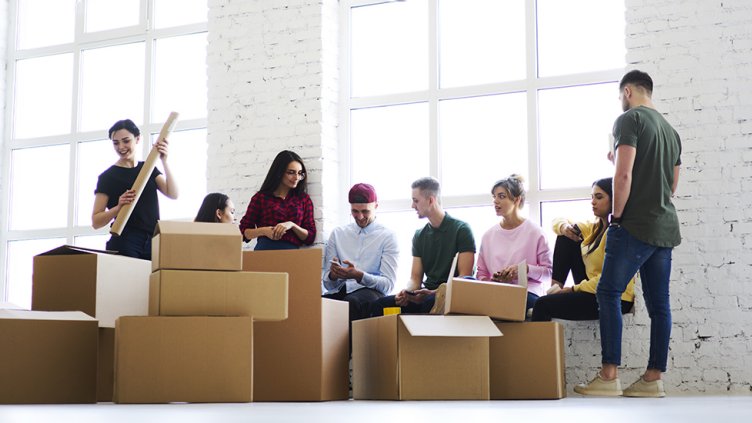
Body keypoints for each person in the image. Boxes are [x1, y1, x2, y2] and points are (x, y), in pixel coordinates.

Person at [575, 70, 681, 398]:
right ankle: (653, 379)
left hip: (634, 224)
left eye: (621, 95)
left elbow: (622, 176)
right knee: (659, 305)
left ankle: (609, 375)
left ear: (629, 91)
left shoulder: (629, 120)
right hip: (664, 226)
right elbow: (671, 185)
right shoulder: (671, 131)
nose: (621, 100)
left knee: (607, 292)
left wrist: (617, 217)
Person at [531, 178, 635, 322]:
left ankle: (536, 345)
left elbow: (610, 278)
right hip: (593, 289)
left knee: (542, 304)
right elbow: (557, 221)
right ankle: (554, 289)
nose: (592, 202)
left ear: (614, 199)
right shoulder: (594, 228)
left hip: (615, 296)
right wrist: (564, 227)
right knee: (567, 235)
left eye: (599, 197)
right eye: (592, 197)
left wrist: (573, 289)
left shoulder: (620, 233)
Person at [369, 177, 475, 316]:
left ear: (431, 200)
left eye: (416, 200)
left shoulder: (461, 230)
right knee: (378, 306)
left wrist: (434, 293)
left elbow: (464, 278)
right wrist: (407, 293)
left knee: (428, 302)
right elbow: (415, 279)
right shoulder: (419, 235)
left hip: (450, 295)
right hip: (426, 295)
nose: (413, 206)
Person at [92, 119, 178, 259]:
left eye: (126, 141)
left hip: (153, 239)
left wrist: (164, 161)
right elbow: (96, 222)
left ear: (137, 139)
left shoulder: (148, 168)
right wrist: (119, 207)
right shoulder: (107, 177)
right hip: (125, 240)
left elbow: (173, 194)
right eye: (116, 143)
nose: (121, 147)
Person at [476, 174, 552, 312]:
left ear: (517, 200)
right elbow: (481, 274)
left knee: (523, 301)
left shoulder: (535, 232)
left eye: (501, 196)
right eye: (494, 197)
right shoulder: (488, 236)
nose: (495, 201)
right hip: (495, 292)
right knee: (467, 281)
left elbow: (549, 273)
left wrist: (525, 270)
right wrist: (493, 281)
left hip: (527, 293)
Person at [238, 150, 316, 250]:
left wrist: (292, 225)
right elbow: (243, 232)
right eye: (291, 172)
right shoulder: (260, 198)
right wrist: (264, 231)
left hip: (292, 256)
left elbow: (310, 237)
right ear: (279, 172)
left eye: (300, 173)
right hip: (264, 253)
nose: (296, 177)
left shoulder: (303, 199)